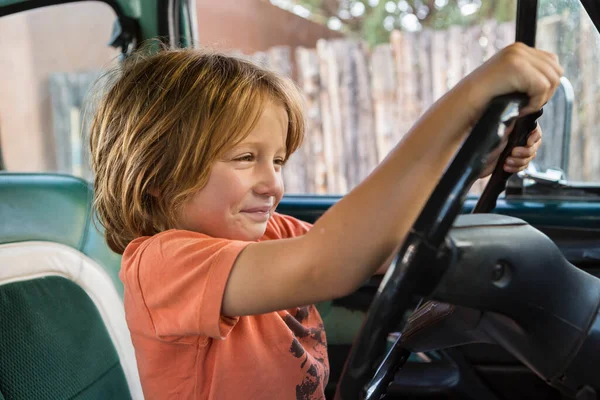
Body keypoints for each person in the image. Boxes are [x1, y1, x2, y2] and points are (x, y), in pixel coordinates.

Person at [89, 42, 559, 400]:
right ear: (156, 175)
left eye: (277, 161)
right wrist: (466, 102)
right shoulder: (162, 265)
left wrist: (470, 163)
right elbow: (331, 263)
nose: (271, 183)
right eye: (245, 157)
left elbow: (379, 247)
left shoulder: (272, 234)